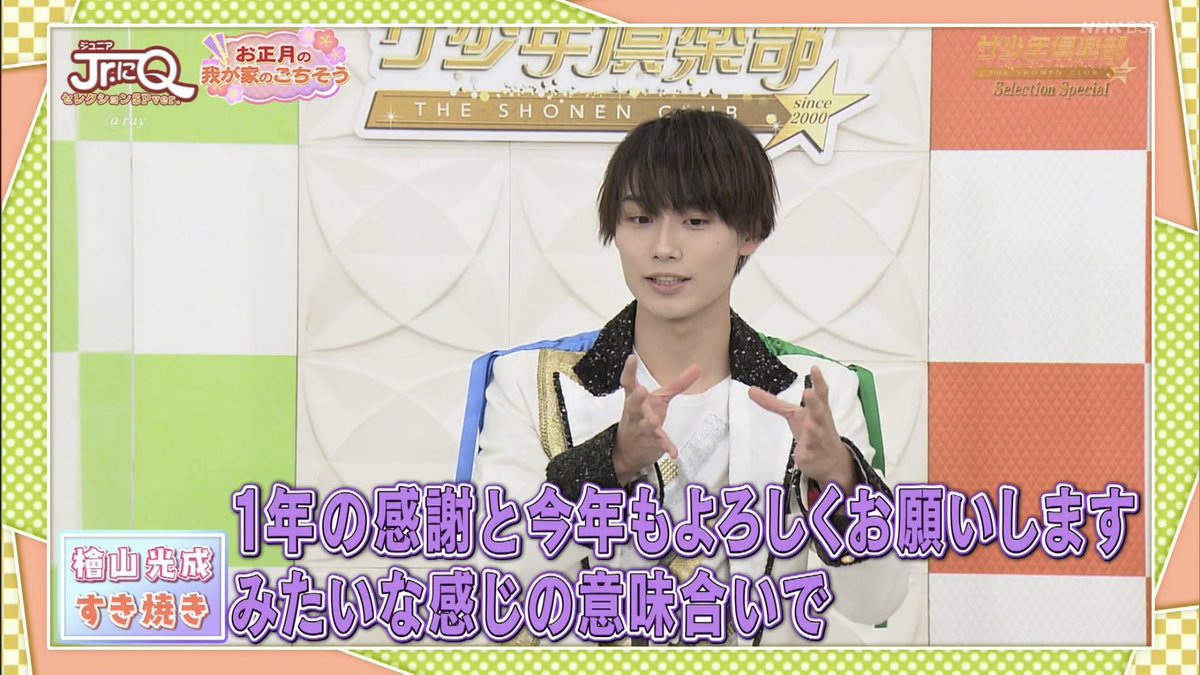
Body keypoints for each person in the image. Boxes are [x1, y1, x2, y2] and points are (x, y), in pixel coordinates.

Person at [463, 109, 907, 645]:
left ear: (751, 233)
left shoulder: (812, 390)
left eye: (696, 221)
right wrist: (610, 462)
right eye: (640, 218)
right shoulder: (529, 381)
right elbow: (495, 584)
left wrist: (840, 480)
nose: (664, 247)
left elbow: (875, 603)